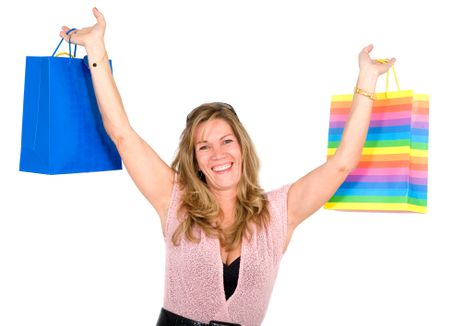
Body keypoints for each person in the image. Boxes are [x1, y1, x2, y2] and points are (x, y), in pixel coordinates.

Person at [60, 7, 395, 326]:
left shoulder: (279, 212)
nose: (218, 154)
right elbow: (122, 134)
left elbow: (342, 164)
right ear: (196, 161)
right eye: (204, 146)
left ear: (242, 148)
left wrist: (367, 78)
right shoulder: (174, 198)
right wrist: (96, 50)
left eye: (226, 141)